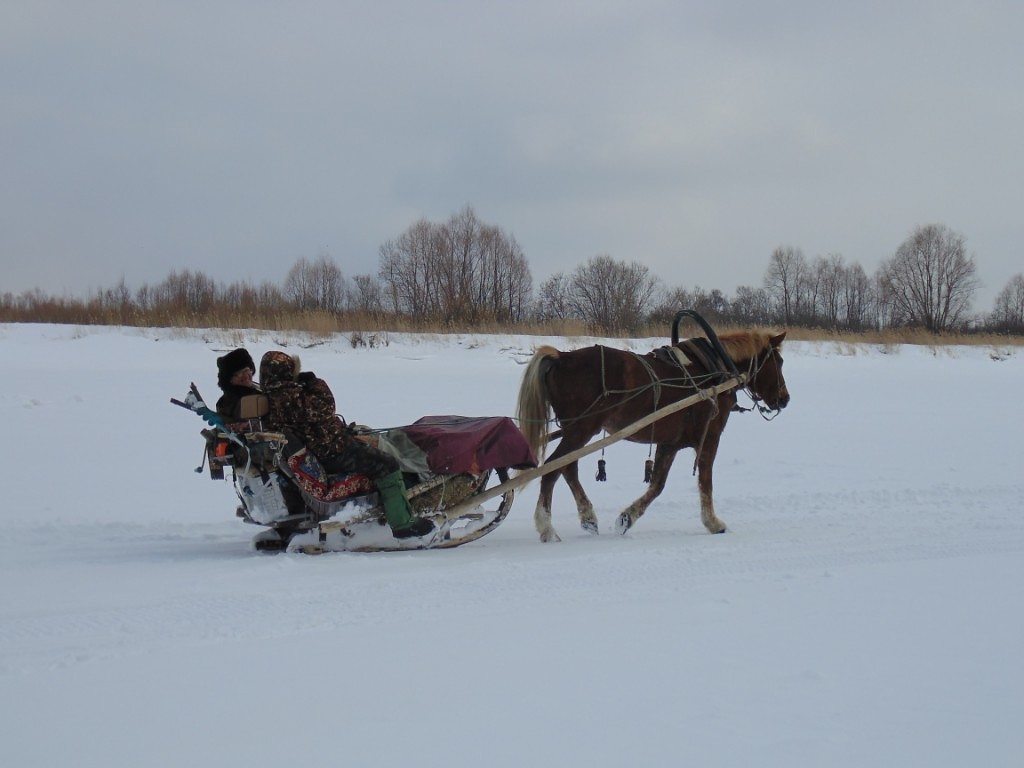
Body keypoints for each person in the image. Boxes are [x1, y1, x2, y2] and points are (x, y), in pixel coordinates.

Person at [258, 350, 435, 540]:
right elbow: (327, 405)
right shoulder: (291, 398)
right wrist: (313, 382)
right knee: (388, 464)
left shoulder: (271, 398)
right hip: (331, 452)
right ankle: (403, 523)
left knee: (373, 443)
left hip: (327, 446)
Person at [215, 348, 261, 419]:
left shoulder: (257, 390)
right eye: (240, 373)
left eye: (247, 370)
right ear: (229, 379)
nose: (246, 376)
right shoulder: (233, 400)